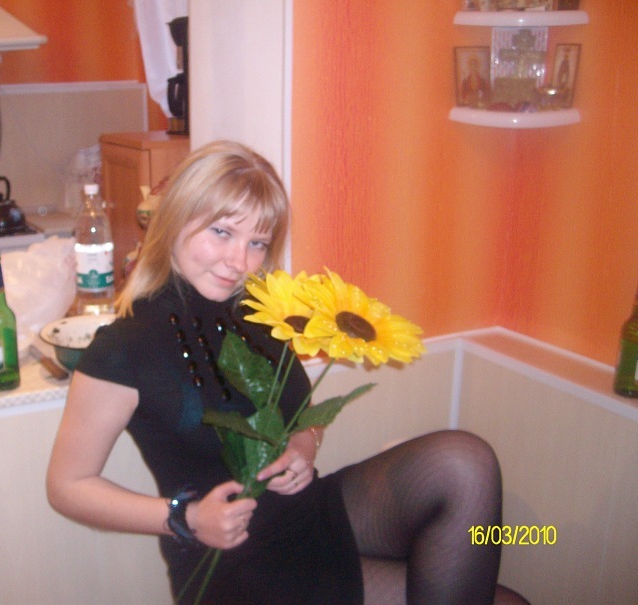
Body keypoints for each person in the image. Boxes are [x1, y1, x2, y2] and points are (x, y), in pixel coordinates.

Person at [46, 140, 531, 605]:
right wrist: (184, 516)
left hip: (309, 515)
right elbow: (68, 486)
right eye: (222, 232)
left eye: (257, 242)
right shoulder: (124, 348)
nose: (240, 262)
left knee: (464, 464)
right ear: (175, 219)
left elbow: (302, 415)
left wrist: (303, 445)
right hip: (234, 558)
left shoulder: (262, 310)